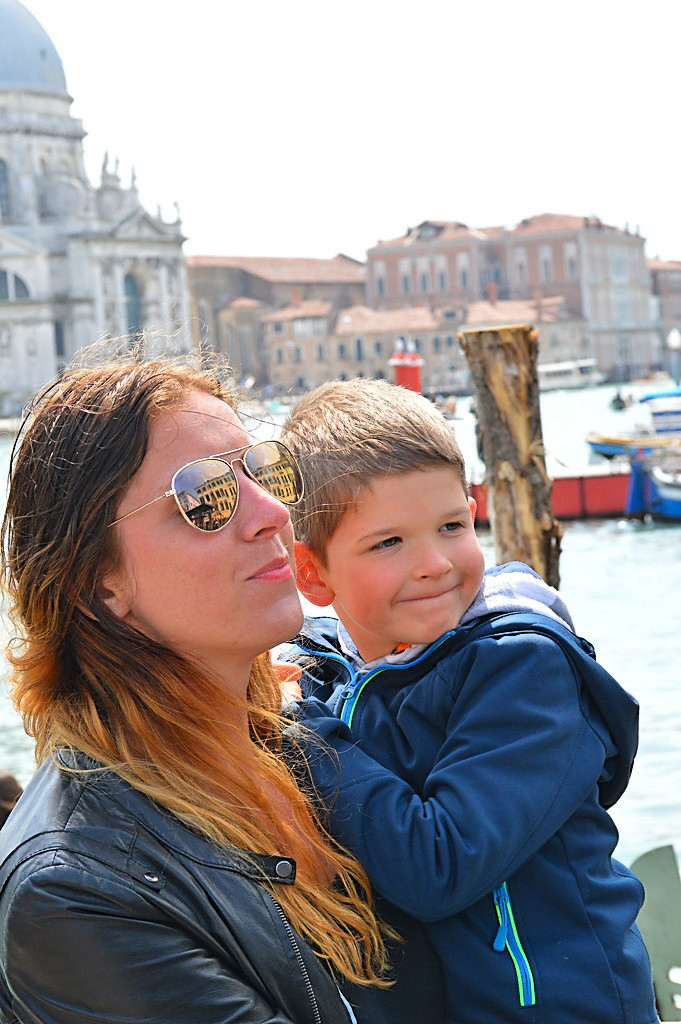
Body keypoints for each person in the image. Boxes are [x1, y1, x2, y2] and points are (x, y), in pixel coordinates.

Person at [0, 358, 445, 1024]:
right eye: (204, 496)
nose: (273, 513)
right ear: (97, 582)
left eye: (264, 471)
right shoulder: (75, 893)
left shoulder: (329, 722)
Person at [279, 377, 658, 1024]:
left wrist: (304, 735)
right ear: (312, 573)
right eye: (389, 542)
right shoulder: (322, 673)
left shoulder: (522, 670)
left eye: (451, 526)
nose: (434, 562)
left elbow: (441, 865)